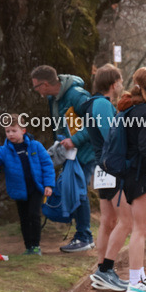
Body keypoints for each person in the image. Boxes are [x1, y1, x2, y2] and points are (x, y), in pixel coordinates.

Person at [100, 67, 146, 292]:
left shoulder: (128, 109)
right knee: (140, 229)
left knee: (135, 228)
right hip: (141, 174)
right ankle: (136, 281)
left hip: (128, 174)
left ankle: (137, 278)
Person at [30, 64, 97, 253]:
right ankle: (82, 235)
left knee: (79, 191)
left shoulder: (77, 94)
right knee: (71, 190)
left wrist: (74, 140)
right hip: (69, 152)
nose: (36, 91)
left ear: (44, 84)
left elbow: (95, 122)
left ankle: (85, 236)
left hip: (84, 153)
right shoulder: (54, 98)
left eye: (36, 87)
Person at [0, 114, 55, 255]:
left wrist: (49, 185)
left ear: (23, 130)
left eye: (13, 130)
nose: (10, 134)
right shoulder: (4, 150)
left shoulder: (36, 146)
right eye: (7, 131)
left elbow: (47, 165)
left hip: (35, 188)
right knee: (23, 218)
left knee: (34, 215)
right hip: (19, 190)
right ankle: (28, 246)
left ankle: (36, 245)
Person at [87, 64, 130, 291]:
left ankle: (102, 270)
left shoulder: (94, 103)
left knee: (108, 221)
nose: (122, 84)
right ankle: (105, 270)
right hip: (110, 167)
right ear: (113, 83)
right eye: (120, 80)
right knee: (125, 221)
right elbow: (110, 137)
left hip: (101, 167)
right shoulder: (102, 104)